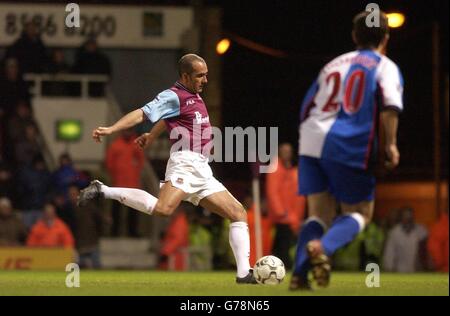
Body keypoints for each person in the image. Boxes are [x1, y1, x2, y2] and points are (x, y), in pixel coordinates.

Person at [78, 54, 256, 283]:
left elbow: (167, 119)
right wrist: (112, 129)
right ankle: (103, 190)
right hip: (185, 163)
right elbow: (142, 112)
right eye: (200, 75)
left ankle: (244, 274)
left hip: (202, 169)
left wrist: (151, 135)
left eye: (206, 75)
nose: (205, 80)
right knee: (163, 209)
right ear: (185, 76)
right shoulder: (173, 95)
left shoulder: (193, 96)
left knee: (238, 212)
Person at [290, 10, 403, 290]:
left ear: (354, 35)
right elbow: (389, 107)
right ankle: (322, 247)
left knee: (318, 214)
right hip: (348, 143)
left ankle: (299, 276)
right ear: (386, 37)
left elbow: (306, 108)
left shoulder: (332, 65)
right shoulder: (385, 66)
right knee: (360, 212)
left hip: (311, 139)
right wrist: (390, 144)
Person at [266, 143, 306, 269]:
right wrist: (281, 212)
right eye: (284, 151)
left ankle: (281, 267)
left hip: (292, 216)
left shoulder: (291, 170)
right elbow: (272, 191)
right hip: (283, 217)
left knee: (283, 245)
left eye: (288, 151)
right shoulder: (276, 168)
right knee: (283, 246)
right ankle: (284, 267)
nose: (286, 153)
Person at [105, 128, 145, 237]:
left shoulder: (136, 144)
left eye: (129, 131)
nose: (128, 133)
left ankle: (132, 232)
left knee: (133, 210)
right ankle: (114, 232)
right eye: (126, 131)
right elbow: (109, 164)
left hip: (132, 184)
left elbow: (141, 161)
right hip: (118, 184)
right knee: (116, 211)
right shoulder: (115, 145)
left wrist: (135, 171)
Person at [383, 207, 428, 272]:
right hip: (400, 273)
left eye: (410, 217)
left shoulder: (422, 231)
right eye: (405, 217)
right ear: (401, 218)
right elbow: (389, 255)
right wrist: (389, 269)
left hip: (417, 273)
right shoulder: (394, 233)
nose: (408, 220)